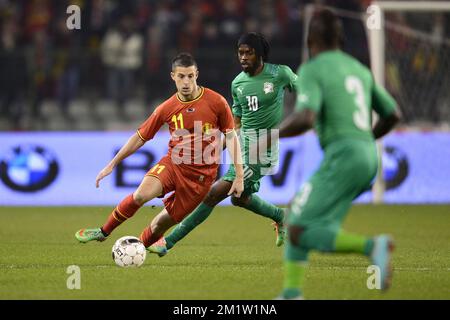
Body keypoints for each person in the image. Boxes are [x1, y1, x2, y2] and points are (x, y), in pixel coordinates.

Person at [277, 9, 402, 299]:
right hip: (368, 157)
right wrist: (364, 140)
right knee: (300, 214)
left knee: (296, 224)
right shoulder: (358, 69)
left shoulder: (313, 68)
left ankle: (373, 247)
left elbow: (306, 117)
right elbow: (393, 114)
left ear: (311, 40)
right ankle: (292, 293)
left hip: (344, 156)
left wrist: (273, 134)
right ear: (340, 39)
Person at [150, 32, 298, 257]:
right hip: (242, 147)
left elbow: (307, 94)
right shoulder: (237, 83)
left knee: (213, 193)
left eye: (249, 52)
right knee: (240, 199)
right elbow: (235, 124)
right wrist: (216, 146)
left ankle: (168, 242)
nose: (244, 57)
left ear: (259, 54)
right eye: (240, 53)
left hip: (262, 149)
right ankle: (281, 216)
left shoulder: (280, 74)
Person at [75, 53, 244, 248]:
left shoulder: (217, 102)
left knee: (158, 226)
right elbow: (140, 137)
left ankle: (137, 249)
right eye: (181, 76)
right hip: (174, 165)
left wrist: (239, 175)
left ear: (197, 74)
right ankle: (104, 231)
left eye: (190, 76)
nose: (186, 81)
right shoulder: (167, 108)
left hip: (200, 179)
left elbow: (231, 137)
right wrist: (112, 164)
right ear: (173, 76)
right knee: (140, 195)